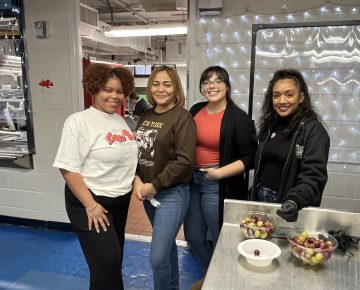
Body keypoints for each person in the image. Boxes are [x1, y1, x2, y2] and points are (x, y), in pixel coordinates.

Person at [53, 63, 138, 290]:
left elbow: (127, 160)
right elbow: (67, 168)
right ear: (95, 89)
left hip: (119, 201)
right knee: (107, 262)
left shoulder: (120, 121)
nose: (115, 96)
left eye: (120, 91)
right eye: (108, 90)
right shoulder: (78, 121)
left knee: (112, 262)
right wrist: (91, 206)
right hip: (90, 203)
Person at [183, 66, 258, 290]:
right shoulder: (195, 110)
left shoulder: (238, 118)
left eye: (217, 81)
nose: (212, 86)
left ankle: (224, 281)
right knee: (194, 237)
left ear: (227, 86)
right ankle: (209, 274)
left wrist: (219, 173)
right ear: (201, 87)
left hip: (217, 184)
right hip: (192, 181)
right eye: (206, 82)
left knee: (221, 238)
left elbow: (251, 157)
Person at [132, 65, 196, 290]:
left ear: (175, 88)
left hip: (172, 195)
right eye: (156, 84)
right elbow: (136, 152)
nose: (161, 89)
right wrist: (137, 179)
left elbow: (184, 160)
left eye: (167, 84)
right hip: (150, 195)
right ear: (150, 87)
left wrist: (155, 185)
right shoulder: (146, 115)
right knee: (167, 249)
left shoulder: (182, 118)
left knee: (158, 258)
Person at [249, 68, 330, 222]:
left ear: (301, 97)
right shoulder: (270, 125)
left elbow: (313, 177)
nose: (282, 101)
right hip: (261, 198)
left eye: (289, 94)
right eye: (276, 95)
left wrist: (294, 200)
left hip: (289, 205)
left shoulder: (314, 131)